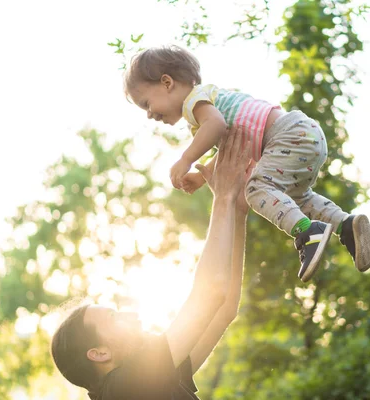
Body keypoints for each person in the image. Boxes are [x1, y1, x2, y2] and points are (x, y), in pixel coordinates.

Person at [122, 44, 370, 282]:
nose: (149, 114)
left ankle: (307, 232)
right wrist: (202, 176)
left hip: (286, 135)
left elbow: (216, 126)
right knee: (295, 198)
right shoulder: (206, 104)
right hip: (303, 135)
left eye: (146, 103)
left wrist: (185, 159)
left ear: (167, 82)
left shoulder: (195, 104)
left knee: (256, 189)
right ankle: (345, 225)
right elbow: (228, 147)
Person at [51, 127, 254, 399]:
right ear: (100, 354)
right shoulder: (123, 389)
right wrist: (223, 197)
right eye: (114, 318)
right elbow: (211, 294)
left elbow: (224, 306)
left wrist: (237, 211)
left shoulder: (147, 380)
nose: (131, 314)